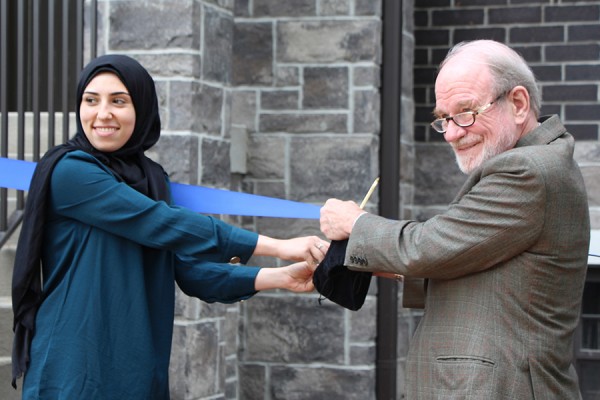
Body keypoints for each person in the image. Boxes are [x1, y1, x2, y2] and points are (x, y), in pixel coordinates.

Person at [11, 54, 329, 399]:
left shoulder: (152, 179)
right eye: (91, 100)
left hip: (136, 367)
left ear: (143, 109)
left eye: (119, 101)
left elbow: (189, 268)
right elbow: (160, 223)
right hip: (72, 367)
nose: (102, 113)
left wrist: (279, 278)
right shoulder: (70, 170)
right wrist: (278, 246)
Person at [320, 40, 590, 398]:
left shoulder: (527, 171)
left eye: (466, 112)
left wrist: (355, 224)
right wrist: (385, 263)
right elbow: (480, 265)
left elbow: (429, 246)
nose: (451, 133)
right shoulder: (540, 162)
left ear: (519, 104)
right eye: (443, 119)